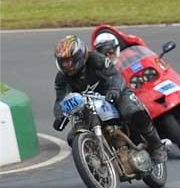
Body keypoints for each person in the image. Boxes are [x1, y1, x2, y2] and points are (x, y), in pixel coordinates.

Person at [52, 35, 167, 164]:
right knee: (72, 138)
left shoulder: (96, 59)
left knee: (133, 112)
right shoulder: (61, 78)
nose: (67, 65)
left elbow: (115, 75)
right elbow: (60, 100)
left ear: (79, 56)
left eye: (70, 60)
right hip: (87, 107)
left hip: (113, 94)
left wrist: (114, 90)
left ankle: (157, 146)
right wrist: (59, 116)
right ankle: (94, 164)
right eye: (63, 62)